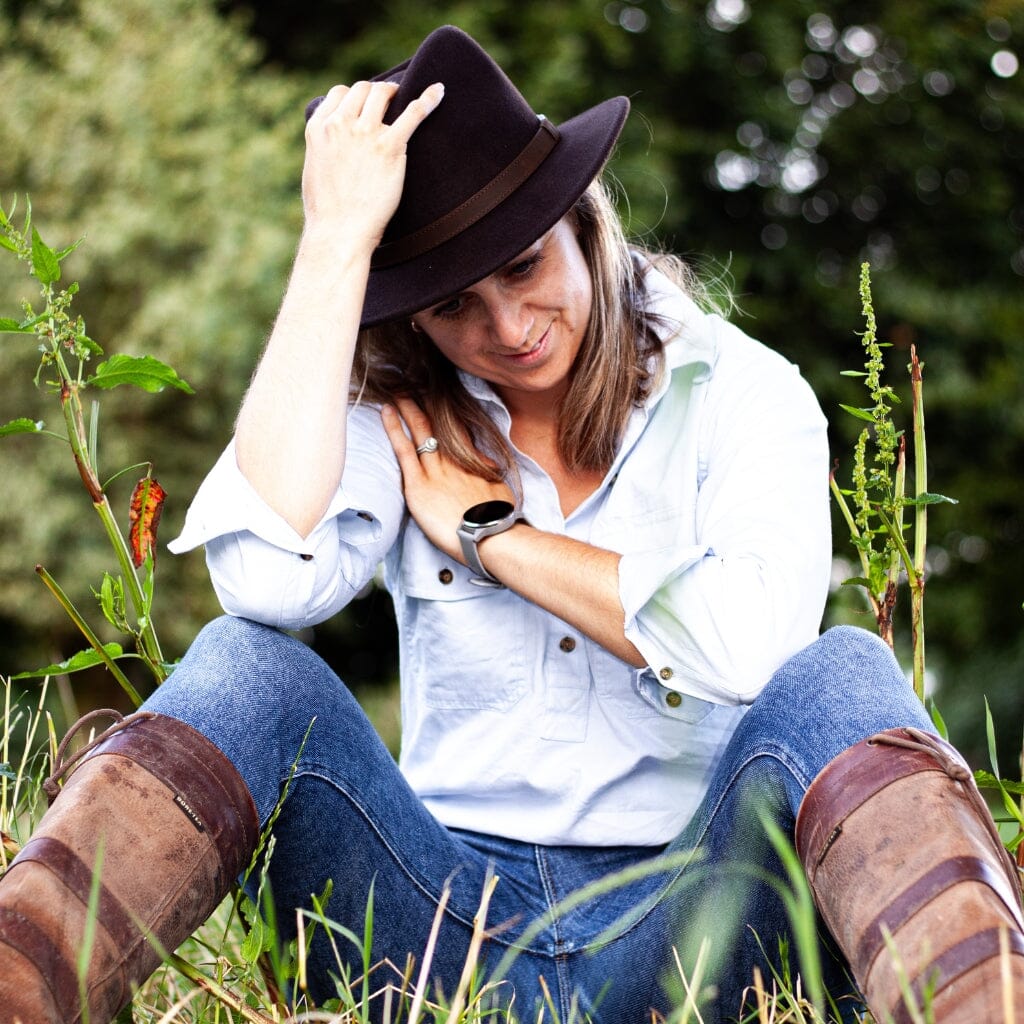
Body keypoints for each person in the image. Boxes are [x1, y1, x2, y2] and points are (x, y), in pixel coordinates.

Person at [1, 24, 1022, 1024]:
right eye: (452, 305)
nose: (504, 329)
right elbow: (265, 581)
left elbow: (749, 643)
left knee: (839, 673)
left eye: (525, 266)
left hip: (695, 931)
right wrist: (333, 248)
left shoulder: (746, 394)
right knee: (244, 663)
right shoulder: (396, 407)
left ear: (584, 222)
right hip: (435, 929)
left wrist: (496, 538)